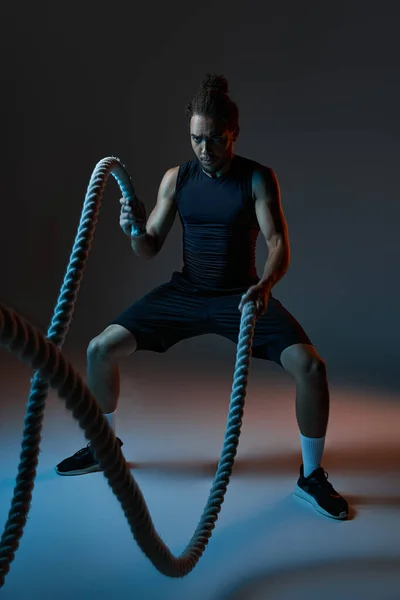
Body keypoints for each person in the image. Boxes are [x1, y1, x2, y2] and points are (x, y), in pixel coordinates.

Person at [55, 74, 349, 521]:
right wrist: (132, 228)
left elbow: (277, 244)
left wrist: (266, 285)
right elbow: (149, 245)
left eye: (214, 139)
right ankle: (102, 446)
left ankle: (311, 477)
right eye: (196, 139)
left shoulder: (256, 178)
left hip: (241, 297)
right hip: (187, 293)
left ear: (233, 133)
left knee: (311, 367)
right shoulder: (177, 178)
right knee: (99, 349)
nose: (204, 149)